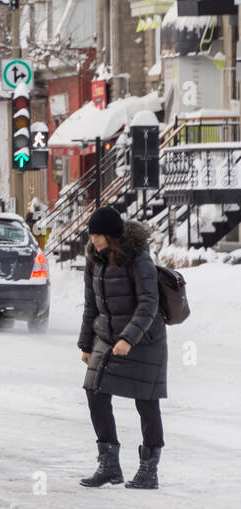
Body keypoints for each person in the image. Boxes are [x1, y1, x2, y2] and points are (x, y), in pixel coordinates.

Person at [78, 205, 167, 490]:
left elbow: (149, 302)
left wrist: (129, 338)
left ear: (113, 235)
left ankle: (149, 468)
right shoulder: (94, 260)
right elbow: (91, 305)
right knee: (94, 390)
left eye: (99, 235)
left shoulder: (137, 258)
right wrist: (86, 343)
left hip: (144, 339)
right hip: (107, 337)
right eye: (92, 235)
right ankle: (109, 464)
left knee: (146, 400)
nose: (94, 240)